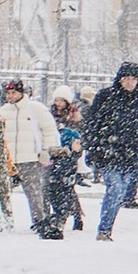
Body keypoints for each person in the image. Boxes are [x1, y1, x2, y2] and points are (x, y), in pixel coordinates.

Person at [85, 61, 138, 237]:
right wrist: (93, 148)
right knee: (115, 188)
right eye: (126, 78)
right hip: (108, 152)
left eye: (133, 79)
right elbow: (92, 123)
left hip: (131, 153)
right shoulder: (106, 97)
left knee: (122, 191)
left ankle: (106, 226)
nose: (129, 83)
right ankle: (104, 229)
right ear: (119, 79)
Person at [0, 77, 62, 236]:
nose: (11, 96)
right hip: (10, 160)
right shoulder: (3, 111)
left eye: (14, 93)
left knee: (35, 193)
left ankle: (39, 221)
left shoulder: (35, 109)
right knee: (3, 193)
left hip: (30, 158)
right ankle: (4, 222)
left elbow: (49, 130)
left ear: (21, 92)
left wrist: (46, 151)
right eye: (8, 93)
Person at [50, 88, 86, 234]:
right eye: (56, 100)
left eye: (61, 100)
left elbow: (80, 135)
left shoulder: (74, 116)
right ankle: (62, 214)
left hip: (70, 154)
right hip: (55, 152)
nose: (58, 103)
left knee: (67, 186)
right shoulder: (50, 115)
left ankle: (71, 215)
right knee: (56, 186)